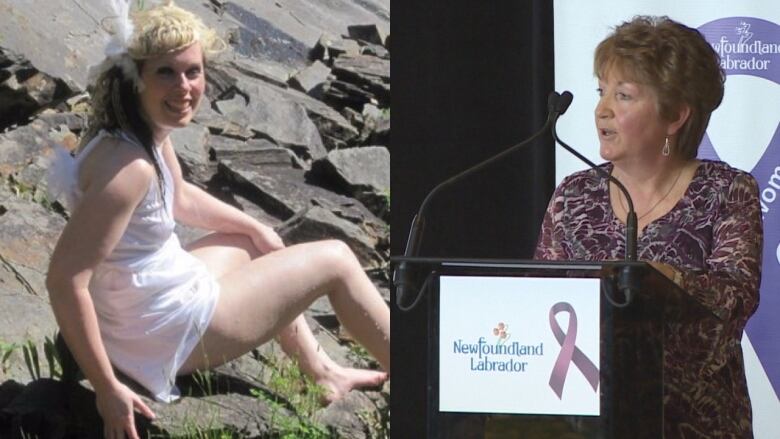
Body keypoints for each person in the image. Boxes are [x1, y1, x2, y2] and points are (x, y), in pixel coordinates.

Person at [45, 2, 390, 438]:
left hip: (143, 306)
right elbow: (64, 280)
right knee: (336, 259)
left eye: (193, 71)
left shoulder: (132, 133)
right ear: (135, 80)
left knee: (251, 243)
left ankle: (322, 372)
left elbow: (181, 196)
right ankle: (430, 387)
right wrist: (106, 389)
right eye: (166, 73)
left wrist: (254, 228)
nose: (185, 86)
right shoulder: (130, 169)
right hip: (163, 332)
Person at [535, 16, 762, 437]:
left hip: (695, 425)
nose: (602, 109)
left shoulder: (728, 191)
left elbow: (734, 300)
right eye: (601, 93)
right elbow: (540, 302)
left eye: (623, 96)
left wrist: (664, 280)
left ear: (675, 115)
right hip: (585, 421)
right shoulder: (574, 195)